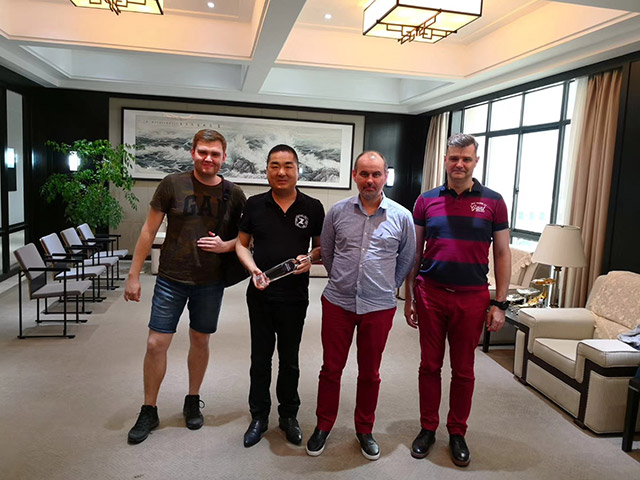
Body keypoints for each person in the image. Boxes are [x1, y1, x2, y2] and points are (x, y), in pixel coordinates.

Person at [124, 129, 246, 444]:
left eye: (215, 154)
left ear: (224, 157)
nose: (208, 158)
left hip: (210, 281)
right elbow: (148, 230)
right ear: (192, 152)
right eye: (203, 152)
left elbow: (246, 238)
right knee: (156, 343)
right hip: (170, 278)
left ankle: (193, 398)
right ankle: (149, 409)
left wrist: (225, 246)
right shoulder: (172, 184)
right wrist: (134, 274)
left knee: (200, 340)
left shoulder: (234, 194)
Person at [404, 133, 511, 467]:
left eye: (466, 158)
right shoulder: (426, 200)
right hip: (431, 294)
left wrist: (500, 303)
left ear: (476, 161)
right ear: (445, 160)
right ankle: (427, 428)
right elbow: (414, 252)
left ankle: (457, 432)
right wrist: (409, 297)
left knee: (463, 370)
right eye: (454, 158)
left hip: (472, 297)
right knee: (429, 366)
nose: (459, 164)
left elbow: (503, 253)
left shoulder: (494, 202)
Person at [306, 151, 416, 461]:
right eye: (364, 174)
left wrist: (386, 286)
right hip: (338, 303)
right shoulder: (337, 212)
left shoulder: (402, 216)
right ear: (355, 175)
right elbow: (327, 252)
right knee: (331, 369)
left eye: (376, 174)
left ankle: (364, 429)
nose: (370, 180)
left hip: (378, 306)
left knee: (370, 372)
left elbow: (407, 258)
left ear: (385, 177)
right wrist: (342, 279)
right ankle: (323, 425)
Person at [235, 144, 324, 448]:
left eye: (288, 166)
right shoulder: (254, 204)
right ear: (267, 170)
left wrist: (309, 258)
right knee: (260, 359)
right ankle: (259, 417)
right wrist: (253, 269)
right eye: (275, 165)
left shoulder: (313, 207)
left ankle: (288, 416)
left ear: (299, 170)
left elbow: (320, 248)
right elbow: (241, 244)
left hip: (295, 296)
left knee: (290, 360)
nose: (281, 172)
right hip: (260, 294)